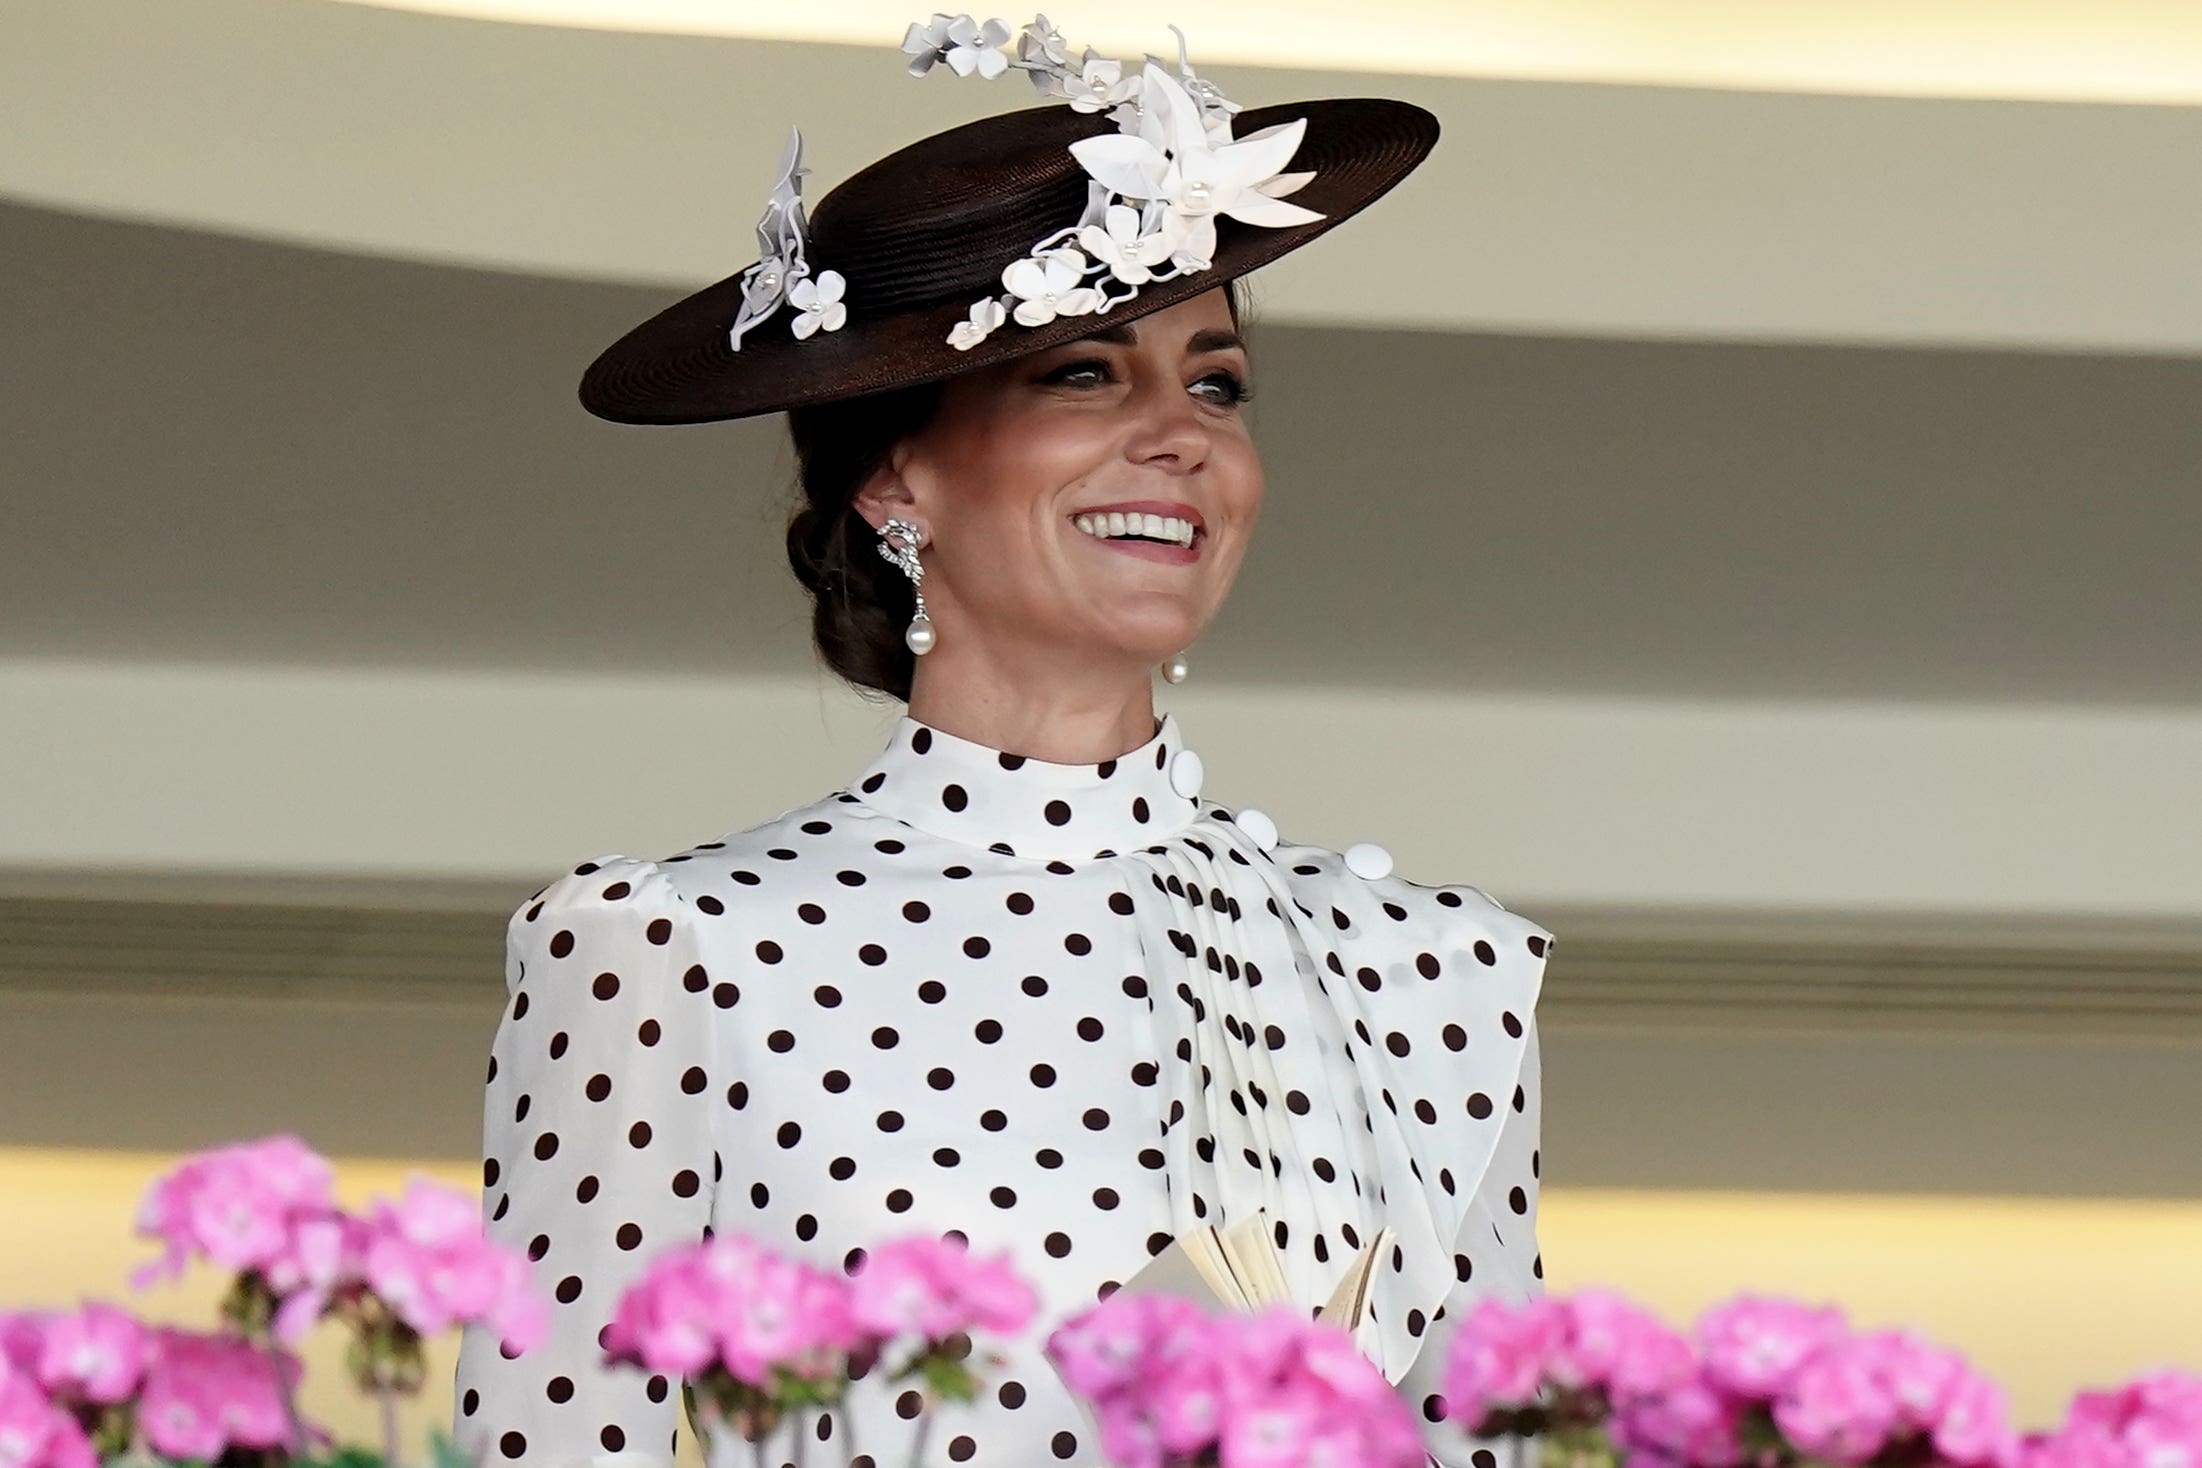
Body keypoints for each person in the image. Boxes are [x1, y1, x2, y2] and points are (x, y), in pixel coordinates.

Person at [452, 14, 1553, 1468]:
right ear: (894, 476)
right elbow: (549, 1441)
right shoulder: (667, 949)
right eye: (1085, 372)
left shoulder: (1439, 973)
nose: (1181, 435)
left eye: (1213, 381)